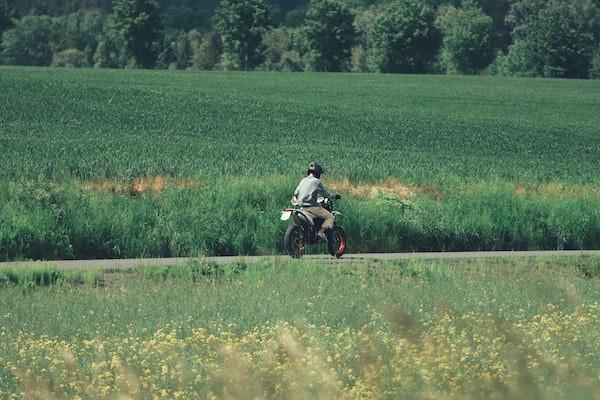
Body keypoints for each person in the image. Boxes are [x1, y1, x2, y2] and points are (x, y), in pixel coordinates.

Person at [292, 162, 334, 241]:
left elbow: (295, 194)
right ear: (317, 173)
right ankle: (321, 232)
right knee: (330, 217)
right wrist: (332, 196)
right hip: (312, 208)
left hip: (301, 208)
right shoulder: (316, 181)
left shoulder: (303, 180)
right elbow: (325, 194)